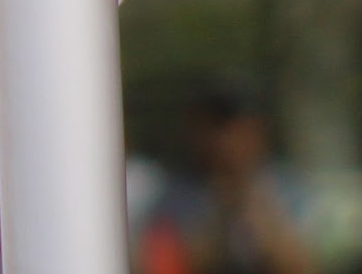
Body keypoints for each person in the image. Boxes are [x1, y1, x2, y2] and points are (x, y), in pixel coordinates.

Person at [136, 83, 318, 274]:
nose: (225, 141)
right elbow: (169, 265)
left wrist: (257, 209)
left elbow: (301, 265)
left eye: (235, 128)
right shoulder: (172, 196)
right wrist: (222, 214)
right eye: (215, 129)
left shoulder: (289, 188)